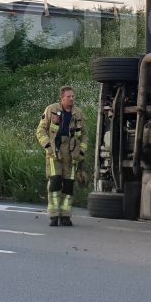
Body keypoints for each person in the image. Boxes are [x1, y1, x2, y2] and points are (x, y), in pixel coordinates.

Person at [35, 86, 86, 226]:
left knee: (69, 185)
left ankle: (65, 216)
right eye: (68, 96)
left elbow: (84, 135)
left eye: (73, 96)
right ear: (62, 98)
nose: (71, 99)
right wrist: (48, 147)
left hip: (72, 153)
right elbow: (40, 131)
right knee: (55, 182)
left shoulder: (78, 113)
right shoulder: (51, 110)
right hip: (55, 151)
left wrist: (80, 152)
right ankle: (53, 215)